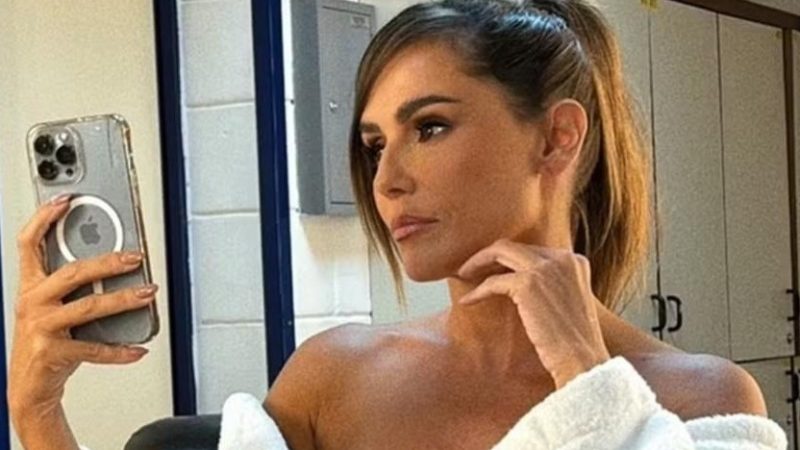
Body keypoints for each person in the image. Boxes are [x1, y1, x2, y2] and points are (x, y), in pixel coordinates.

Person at [7, 0, 789, 449]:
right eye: (375, 143)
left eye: (431, 127)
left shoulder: (703, 396)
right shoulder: (333, 377)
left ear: (557, 137)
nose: (386, 180)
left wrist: (588, 381)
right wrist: (37, 412)